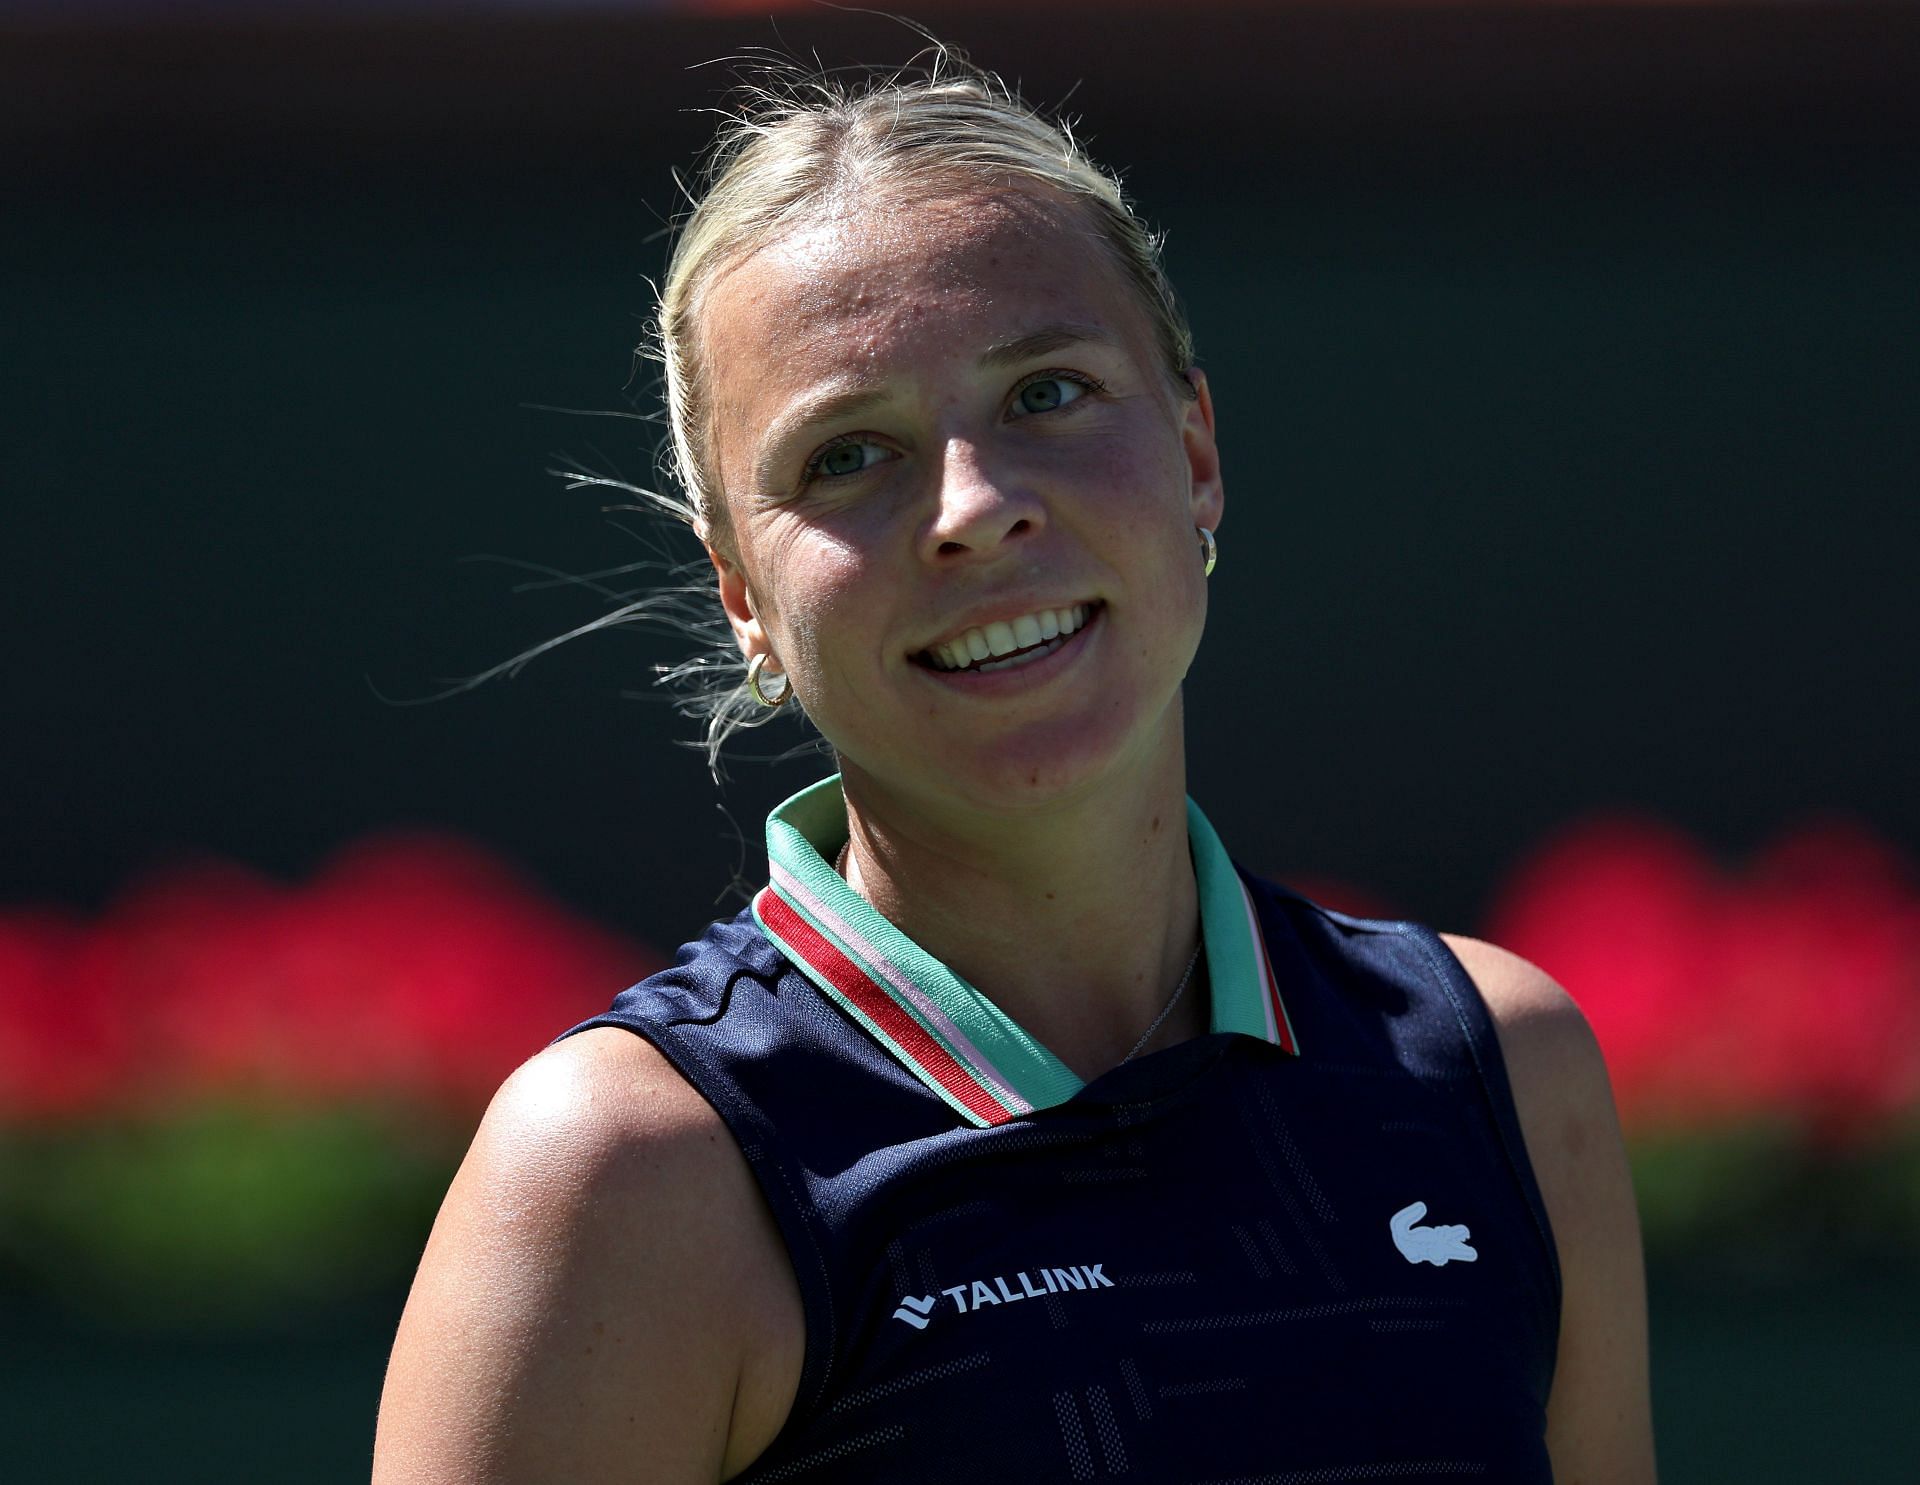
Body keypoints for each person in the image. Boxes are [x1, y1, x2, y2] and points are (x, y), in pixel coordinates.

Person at [372, 54, 1655, 1484]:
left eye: (1047, 391)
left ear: (1195, 455)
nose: (975, 509)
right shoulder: (627, 1175)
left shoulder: (1499, 1068)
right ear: (743, 593)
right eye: (849, 454)